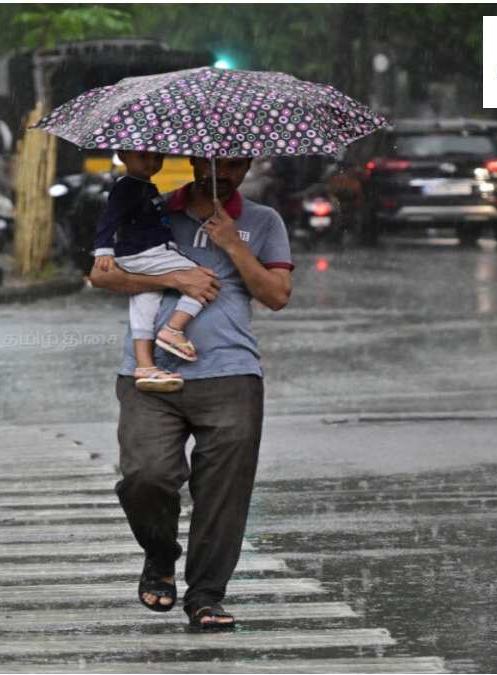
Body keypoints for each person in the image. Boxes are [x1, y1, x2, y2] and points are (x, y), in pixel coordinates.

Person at [88, 156, 293, 630]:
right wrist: (174, 277)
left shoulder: (263, 220)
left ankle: (205, 595)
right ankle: (160, 557)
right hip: (148, 376)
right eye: (218, 159)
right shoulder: (152, 206)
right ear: (197, 158)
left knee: (223, 493)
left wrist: (232, 245)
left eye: (240, 161)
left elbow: (277, 294)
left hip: (232, 374)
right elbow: (103, 275)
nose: (228, 169)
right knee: (144, 477)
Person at [92, 150, 205, 393]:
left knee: (145, 301)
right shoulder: (127, 186)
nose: (152, 163)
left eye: (158, 158)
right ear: (123, 156)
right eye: (144, 157)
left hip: (138, 254)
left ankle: (145, 366)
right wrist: (103, 249)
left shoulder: (144, 186)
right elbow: (109, 218)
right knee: (201, 278)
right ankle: (174, 330)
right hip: (146, 251)